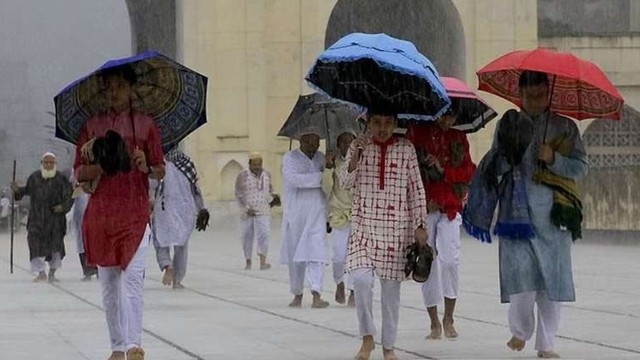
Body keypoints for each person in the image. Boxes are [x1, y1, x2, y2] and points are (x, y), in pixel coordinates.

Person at [464, 70, 587, 359]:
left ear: (548, 92)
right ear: (520, 94)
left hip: (554, 216)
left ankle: (546, 344)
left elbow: (580, 167)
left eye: (541, 95)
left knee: (550, 283)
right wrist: (508, 155)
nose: (535, 101)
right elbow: (493, 168)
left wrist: (553, 158)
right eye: (529, 96)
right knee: (520, 280)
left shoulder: (565, 128)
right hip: (515, 217)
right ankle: (520, 330)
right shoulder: (509, 124)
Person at [74, 65, 165, 360]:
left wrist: (144, 165)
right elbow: (79, 173)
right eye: (108, 87)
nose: (113, 92)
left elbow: (160, 169)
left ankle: (133, 344)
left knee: (133, 279)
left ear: (130, 88)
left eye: (119, 86)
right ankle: (116, 346)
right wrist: (103, 164)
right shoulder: (91, 127)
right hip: (102, 215)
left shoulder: (145, 125)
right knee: (110, 287)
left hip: (134, 214)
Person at [339, 112, 429, 360]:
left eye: (388, 122)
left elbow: (416, 190)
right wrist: (356, 152)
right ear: (368, 122)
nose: (382, 128)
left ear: (396, 124)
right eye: (377, 122)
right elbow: (346, 182)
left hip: (396, 231)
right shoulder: (358, 146)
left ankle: (388, 346)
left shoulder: (406, 149)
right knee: (360, 280)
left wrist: (420, 225)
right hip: (363, 226)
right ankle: (367, 337)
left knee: (391, 294)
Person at [406, 110, 476, 339]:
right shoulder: (416, 133)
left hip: (450, 208)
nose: (447, 121)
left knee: (450, 261)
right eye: (444, 115)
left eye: (452, 116)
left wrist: (443, 169)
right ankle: (434, 321)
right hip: (425, 208)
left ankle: (449, 317)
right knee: (427, 263)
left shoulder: (459, 138)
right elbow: (408, 171)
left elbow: (468, 171)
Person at [280, 128, 331, 309]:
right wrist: (322, 176)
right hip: (296, 215)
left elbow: (331, 182)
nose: (314, 146)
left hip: (317, 212)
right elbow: (295, 180)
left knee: (317, 252)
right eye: (310, 142)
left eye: (317, 142)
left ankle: (317, 293)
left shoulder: (322, 158)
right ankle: (297, 294)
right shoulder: (289, 158)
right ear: (301, 140)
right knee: (297, 257)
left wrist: (329, 167)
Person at [151, 145, 208, 289]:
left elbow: (152, 185)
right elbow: (195, 188)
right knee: (181, 244)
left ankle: (167, 265)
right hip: (185, 208)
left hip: (163, 207)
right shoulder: (185, 162)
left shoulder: (158, 163)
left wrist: (149, 203)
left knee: (160, 240)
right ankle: (177, 279)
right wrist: (201, 208)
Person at [11, 152, 73, 282]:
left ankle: (52, 272)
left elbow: (69, 196)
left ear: (55, 164)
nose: (49, 165)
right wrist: (17, 190)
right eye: (46, 162)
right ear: (42, 163)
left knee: (56, 248)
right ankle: (40, 272)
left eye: (52, 163)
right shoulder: (34, 177)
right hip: (37, 219)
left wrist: (63, 207)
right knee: (35, 245)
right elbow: (26, 190)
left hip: (55, 219)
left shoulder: (61, 178)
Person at [325, 132, 356, 306]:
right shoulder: (334, 163)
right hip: (338, 214)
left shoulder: (361, 161)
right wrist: (328, 168)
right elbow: (325, 189)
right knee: (339, 256)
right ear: (339, 144)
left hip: (357, 214)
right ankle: (339, 282)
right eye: (344, 142)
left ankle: (353, 290)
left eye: (351, 141)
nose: (347, 145)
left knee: (356, 256)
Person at [234, 152, 276, 270]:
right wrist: (247, 207)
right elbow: (238, 193)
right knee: (246, 236)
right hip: (247, 211)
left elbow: (270, 190)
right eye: (255, 164)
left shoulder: (266, 174)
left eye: (259, 164)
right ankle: (248, 261)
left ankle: (263, 262)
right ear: (250, 164)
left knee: (264, 234)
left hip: (263, 209)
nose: (257, 167)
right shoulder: (243, 175)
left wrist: (272, 200)